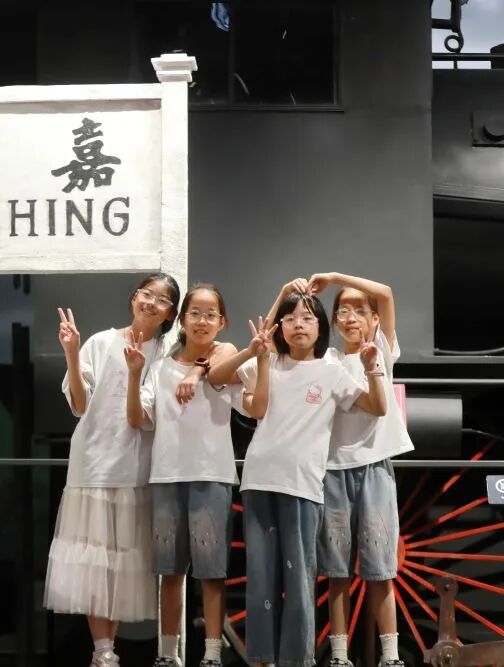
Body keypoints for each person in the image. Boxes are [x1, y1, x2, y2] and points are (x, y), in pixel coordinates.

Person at [208, 293, 387, 667]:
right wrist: (254, 351)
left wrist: (373, 368)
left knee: (300, 581)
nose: (298, 324)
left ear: (320, 327)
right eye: (290, 318)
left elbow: (377, 407)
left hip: (303, 487)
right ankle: (262, 659)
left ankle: (296, 660)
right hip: (258, 481)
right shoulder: (267, 361)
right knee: (261, 578)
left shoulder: (331, 371)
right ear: (281, 328)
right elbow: (217, 377)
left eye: (307, 318)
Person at [44, 274, 180, 667]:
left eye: (161, 300)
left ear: (170, 314)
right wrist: (72, 352)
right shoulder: (101, 342)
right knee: (94, 562)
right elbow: (79, 405)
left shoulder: (166, 355)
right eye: (146, 294)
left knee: (121, 561)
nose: (150, 302)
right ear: (134, 297)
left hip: (136, 469)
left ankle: (123, 650)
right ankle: (103, 652)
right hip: (91, 463)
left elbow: (145, 417)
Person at [299, 274, 413, 667]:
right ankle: (339, 655)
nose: (351, 317)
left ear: (375, 319)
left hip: (375, 468)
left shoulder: (382, 349)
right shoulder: (328, 360)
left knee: (381, 568)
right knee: (337, 570)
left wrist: (334, 278)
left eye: (360, 310)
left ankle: (390, 655)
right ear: (333, 321)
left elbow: (386, 292)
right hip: (332, 470)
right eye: (343, 310)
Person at [125, 284, 242, 667]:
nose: (202, 321)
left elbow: (246, 395)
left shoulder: (224, 360)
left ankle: (211, 654)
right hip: (167, 477)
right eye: (195, 313)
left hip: (212, 475)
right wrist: (134, 375)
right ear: (181, 319)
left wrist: (201, 369)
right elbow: (138, 419)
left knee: (212, 572)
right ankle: (167, 654)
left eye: (210, 315)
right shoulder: (160, 369)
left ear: (222, 322)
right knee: (170, 573)